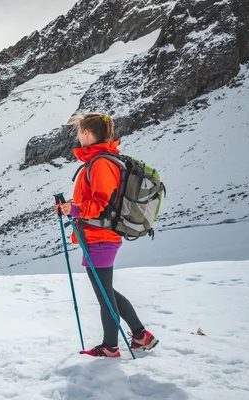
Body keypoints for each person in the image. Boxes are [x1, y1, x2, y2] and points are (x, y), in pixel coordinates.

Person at [55, 112, 159, 358]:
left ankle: (111, 347)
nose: (78, 136)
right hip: (98, 235)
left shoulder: (101, 163)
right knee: (107, 291)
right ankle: (140, 336)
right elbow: (96, 200)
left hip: (100, 237)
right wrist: (72, 206)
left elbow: (101, 203)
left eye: (79, 131)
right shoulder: (102, 160)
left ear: (87, 134)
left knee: (104, 295)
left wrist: (76, 209)